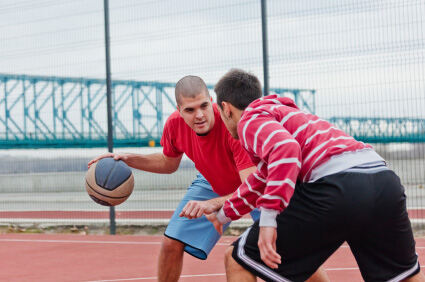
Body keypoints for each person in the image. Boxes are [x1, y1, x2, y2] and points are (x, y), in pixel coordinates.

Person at [88, 76, 331, 282]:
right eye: (190, 110)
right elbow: (168, 163)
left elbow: (251, 186)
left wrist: (216, 204)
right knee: (171, 243)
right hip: (212, 181)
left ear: (213, 102)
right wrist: (128, 158)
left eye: (204, 106)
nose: (199, 115)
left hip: (258, 186)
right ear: (179, 110)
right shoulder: (174, 125)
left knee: (282, 251)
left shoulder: (233, 126)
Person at [205, 68, 425, 282]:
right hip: (383, 181)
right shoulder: (291, 116)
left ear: (226, 108)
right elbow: (264, 176)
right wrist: (224, 213)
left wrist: (269, 221)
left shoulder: (250, 119)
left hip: (338, 186)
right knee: (403, 275)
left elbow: (286, 150)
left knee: (239, 259)